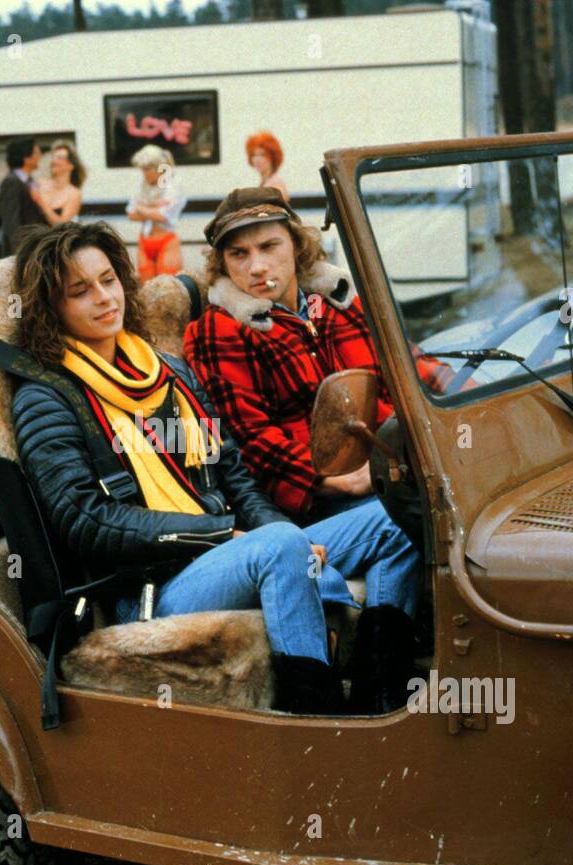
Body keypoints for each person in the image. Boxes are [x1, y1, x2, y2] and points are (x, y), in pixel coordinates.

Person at [8, 221, 408, 713]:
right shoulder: (45, 397)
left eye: (108, 280)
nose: (103, 297)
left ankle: (381, 691)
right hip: (151, 587)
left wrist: (274, 532)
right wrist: (225, 535)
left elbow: (235, 478)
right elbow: (87, 520)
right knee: (281, 545)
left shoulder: (166, 371)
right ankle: (318, 715)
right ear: (52, 309)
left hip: (227, 551)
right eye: (79, 290)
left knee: (403, 512)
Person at [184, 187, 448, 708]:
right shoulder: (218, 330)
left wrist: (457, 394)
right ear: (222, 263)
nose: (257, 266)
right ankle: (380, 683)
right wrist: (325, 478)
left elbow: (404, 371)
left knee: (426, 495)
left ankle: (381, 677)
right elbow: (246, 440)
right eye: (239, 254)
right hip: (300, 508)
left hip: (383, 471)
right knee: (409, 514)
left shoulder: (340, 304)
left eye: (269, 246)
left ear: (297, 246)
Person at [125, 145, 185, 280]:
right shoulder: (144, 185)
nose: (144, 174)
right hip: (144, 240)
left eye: (147, 170)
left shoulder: (173, 185)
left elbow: (162, 216)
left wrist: (141, 206)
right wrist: (152, 205)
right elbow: (130, 213)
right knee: (146, 290)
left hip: (166, 241)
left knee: (168, 289)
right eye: (143, 170)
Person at [0, 136, 48, 255]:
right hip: (22, 251)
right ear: (26, 158)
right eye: (36, 152)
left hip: (33, 247)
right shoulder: (11, 182)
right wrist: (18, 254)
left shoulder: (28, 180)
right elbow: (11, 223)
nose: (40, 156)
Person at [30, 139, 85, 226]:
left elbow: (61, 226)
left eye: (60, 158)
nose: (54, 161)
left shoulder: (74, 194)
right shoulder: (40, 183)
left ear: (71, 165)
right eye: (53, 157)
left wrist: (41, 202)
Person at [246, 131, 289, 203]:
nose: (257, 160)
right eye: (254, 155)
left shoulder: (276, 185)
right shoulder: (265, 182)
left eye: (262, 154)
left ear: (272, 157)